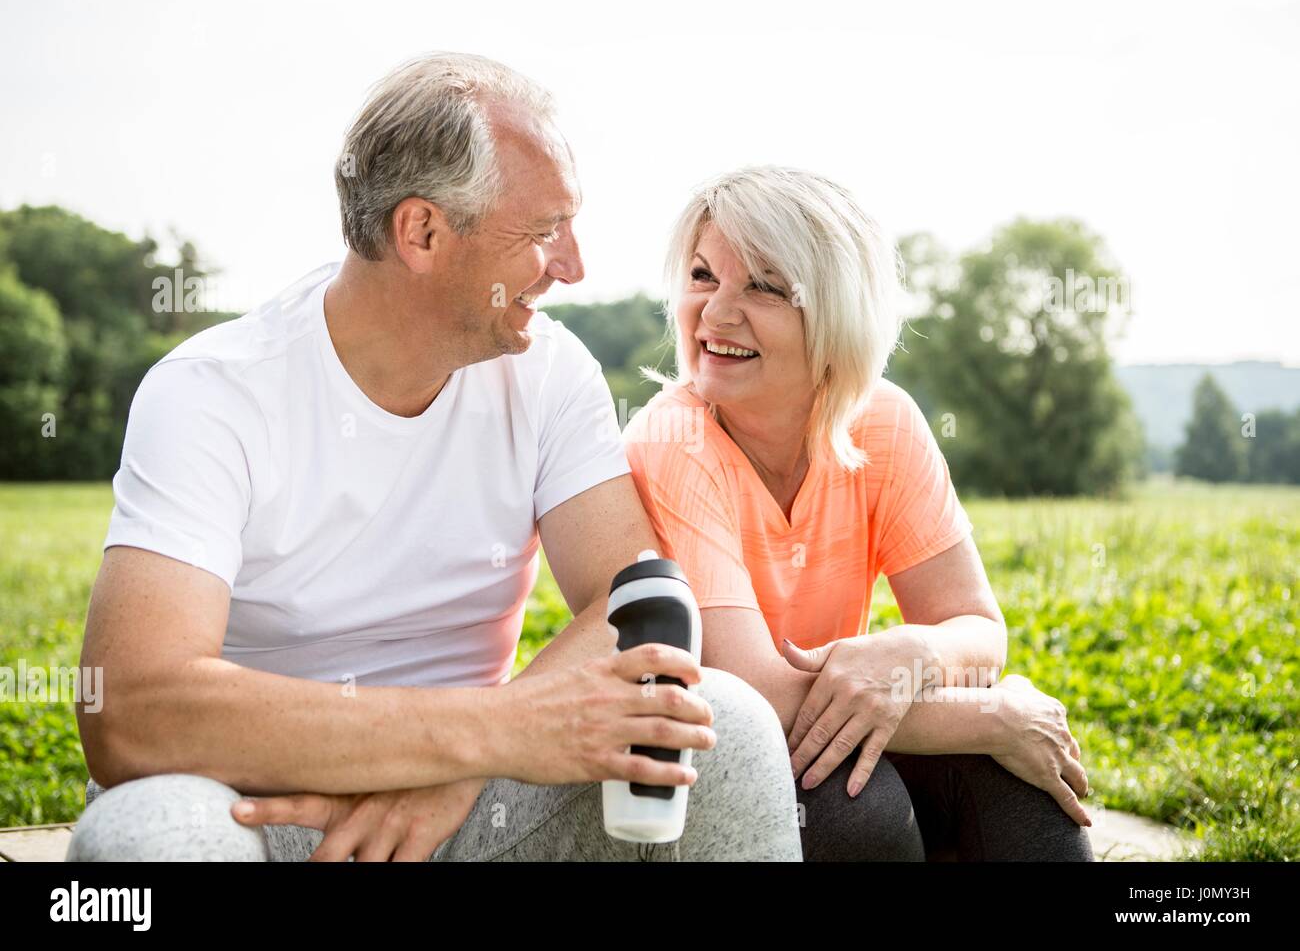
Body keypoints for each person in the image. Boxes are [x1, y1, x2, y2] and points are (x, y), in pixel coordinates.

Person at [66, 54, 802, 862]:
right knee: (150, 837)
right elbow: (132, 712)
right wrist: (486, 734)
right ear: (422, 232)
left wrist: (473, 758)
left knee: (725, 724)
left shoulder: (551, 372)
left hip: (468, 807)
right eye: (542, 232)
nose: (572, 266)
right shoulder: (210, 393)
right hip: (255, 798)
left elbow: (635, 604)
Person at [623, 166, 1095, 861]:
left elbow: (976, 630)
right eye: (701, 276)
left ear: (836, 312)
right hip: (711, 762)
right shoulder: (670, 440)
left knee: (1023, 796)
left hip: (824, 736)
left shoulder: (885, 421)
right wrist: (993, 715)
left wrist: (915, 653)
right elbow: (760, 698)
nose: (716, 312)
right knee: (854, 810)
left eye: (763, 285)